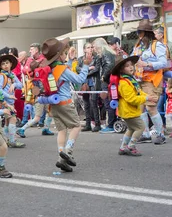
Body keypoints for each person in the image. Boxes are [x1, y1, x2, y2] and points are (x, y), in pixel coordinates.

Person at [40, 38, 89, 173]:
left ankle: (61, 158)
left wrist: (69, 62)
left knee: (62, 130)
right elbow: (80, 79)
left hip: (53, 103)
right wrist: (85, 66)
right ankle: (68, 151)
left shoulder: (49, 68)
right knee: (76, 126)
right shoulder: (62, 69)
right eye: (64, 53)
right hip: (65, 103)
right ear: (60, 55)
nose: (65, 55)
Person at [131, 19, 168, 145]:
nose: (138, 35)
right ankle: (145, 134)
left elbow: (164, 63)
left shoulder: (157, 45)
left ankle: (160, 134)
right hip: (139, 80)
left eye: (140, 32)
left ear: (145, 33)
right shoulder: (137, 46)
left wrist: (147, 64)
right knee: (140, 108)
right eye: (138, 32)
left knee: (151, 107)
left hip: (152, 81)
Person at [114, 56, 158, 156]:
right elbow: (132, 99)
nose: (131, 67)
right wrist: (146, 99)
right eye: (127, 66)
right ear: (121, 69)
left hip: (128, 111)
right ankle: (131, 146)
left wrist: (147, 96)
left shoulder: (130, 80)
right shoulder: (124, 83)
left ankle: (123, 147)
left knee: (131, 128)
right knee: (140, 127)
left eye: (131, 65)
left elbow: (138, 92)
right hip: (129, 111)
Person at [0, 53, 26, 147]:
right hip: (5, 102)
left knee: (8, 121)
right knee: (12, 119)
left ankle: (6, 140)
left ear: (11, 64)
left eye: (7, 63)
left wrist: (14, 84)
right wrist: (8, 96)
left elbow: (21, 84)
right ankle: (12, 141)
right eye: (3, 64)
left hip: (11, 102)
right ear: (0, 66)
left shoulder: (12, 75)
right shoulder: (1, 76)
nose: (5, 65)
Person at [92, 37, 116, 133]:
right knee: (109, 102)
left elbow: (109, 65)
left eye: (94, 46)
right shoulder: (108, 53)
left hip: (106, 81)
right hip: (109, 80)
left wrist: (103, 76)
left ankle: (110, 125)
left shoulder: (105, 53)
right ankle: (111, 123)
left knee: (108, 103)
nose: (93, 49)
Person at [77, 42, 101, 131]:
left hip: (93, 82)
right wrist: (88, 69)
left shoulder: (97, 58)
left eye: (91, 47)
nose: (90, 49)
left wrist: (85, 72)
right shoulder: (80, 59)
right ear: (84, 50)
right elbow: (77, 69)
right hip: (84, 83)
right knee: (86, 104)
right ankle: (88, 124)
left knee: (93, 103)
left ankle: (97, 124)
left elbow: (96, 69)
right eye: (88, 47)